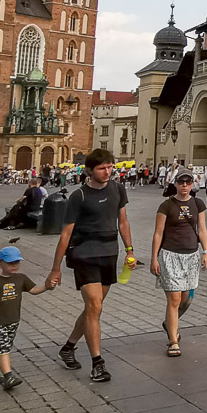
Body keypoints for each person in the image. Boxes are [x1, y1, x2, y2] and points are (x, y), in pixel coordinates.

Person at [46, 148, 138, 383]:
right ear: (89, 170)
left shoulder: (118, 189)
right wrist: (55, 268)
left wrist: (130, 250)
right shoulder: (79, 196)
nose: (107, 172)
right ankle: (97, 363)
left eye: (110, 167)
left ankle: (68, 347)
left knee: (93, 309)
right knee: (95, 305)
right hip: (84, 253)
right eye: (102, 168)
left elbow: (123, 222)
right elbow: (66, 233)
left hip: (109, 253)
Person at [0, 245, 52, 391]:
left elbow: (34, 290)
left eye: (17, 262)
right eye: (10, 263)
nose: (14, 266)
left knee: (1, 348)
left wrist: (46, 286)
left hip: (13, 321)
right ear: (0, 264)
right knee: (2, 349)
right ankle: (8, 377)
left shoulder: (21, 278)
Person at [152, 172, 207, 357]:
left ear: (192, 184)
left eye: (188, 182)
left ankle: (169, 323)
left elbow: (202, 229)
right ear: (175, 184)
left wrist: (206, 251)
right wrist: (154, 258)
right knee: (174, 299)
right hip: (170, 254)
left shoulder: (198, 204)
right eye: (181, 182)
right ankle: (173, 340)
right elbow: (158, 233)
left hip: (191, 255)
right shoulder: (166, 205)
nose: (184, 185)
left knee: (186, 299)